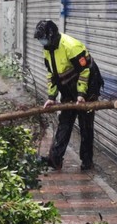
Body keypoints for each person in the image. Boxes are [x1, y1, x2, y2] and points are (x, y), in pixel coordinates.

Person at [34, 20, 104, 171]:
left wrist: (81, 94)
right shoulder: (48, 48)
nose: (42, 42)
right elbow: (51, 74)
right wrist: (51, 97)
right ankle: (55, 159)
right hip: (68, 86)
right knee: (65, 121)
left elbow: (85, 72)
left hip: (88, 85)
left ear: (51, 35)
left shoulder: (71, 46)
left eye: (43, 38)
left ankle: (87, 161)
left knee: (85, 124)